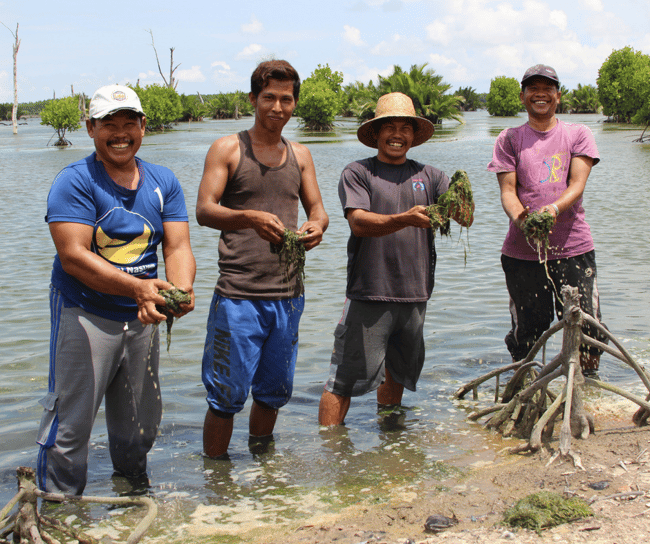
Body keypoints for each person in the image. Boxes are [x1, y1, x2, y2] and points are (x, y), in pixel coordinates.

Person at [37, 84, 196, 495]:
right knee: (70, 425)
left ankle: (131, 497)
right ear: (90, 129)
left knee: (139, 425)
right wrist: (140, 290)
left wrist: (180, 290)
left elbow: (178, 246)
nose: (120, 133)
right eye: (109, 125)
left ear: (144, 127)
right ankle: (58, 507)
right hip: (84, 311)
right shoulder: (74, 181)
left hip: (141, 316)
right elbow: (73, 255)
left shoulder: (163, 180)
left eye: (130, 123)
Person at [197, 60, 328, 457]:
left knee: (273, 393)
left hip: (288, 297)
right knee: (225, 396)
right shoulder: (228, 148)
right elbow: (204, 210)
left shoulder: (301, 154)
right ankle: (216, 481)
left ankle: (262, 469)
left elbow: (318, 210)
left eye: (286, 99)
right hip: (238, 297)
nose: (277, 106)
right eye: (268, 97)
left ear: (295, 104)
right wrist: (248, 219)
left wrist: (317, 228)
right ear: (253, 99)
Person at [318, 92, 474, 426]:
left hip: (415, 295)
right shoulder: (359, 172)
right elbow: (359, 223)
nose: (398, 135)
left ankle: (391, 447)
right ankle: (330, 456)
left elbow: (465, 218)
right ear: (375, 133)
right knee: (342, 381)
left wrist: (462, 191)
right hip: (369, 293)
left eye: (406, 128)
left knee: (398, 376)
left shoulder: (431, 176)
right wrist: (404, 219)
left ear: (415, 136)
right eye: (390, 127)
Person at [487, 64, 607, 377]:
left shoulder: (577, 134)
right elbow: (508, 192)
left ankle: (585, 390)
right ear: (523, 96)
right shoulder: (509, 139)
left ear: (557, 95)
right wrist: (522, 218)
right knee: (528, 333)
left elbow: (577, 185)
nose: (541, 94)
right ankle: (525, 392)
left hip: (574, 248)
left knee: (587, 329)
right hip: (522, 254)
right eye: (533, 89)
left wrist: (552, 210)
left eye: (547, 88)